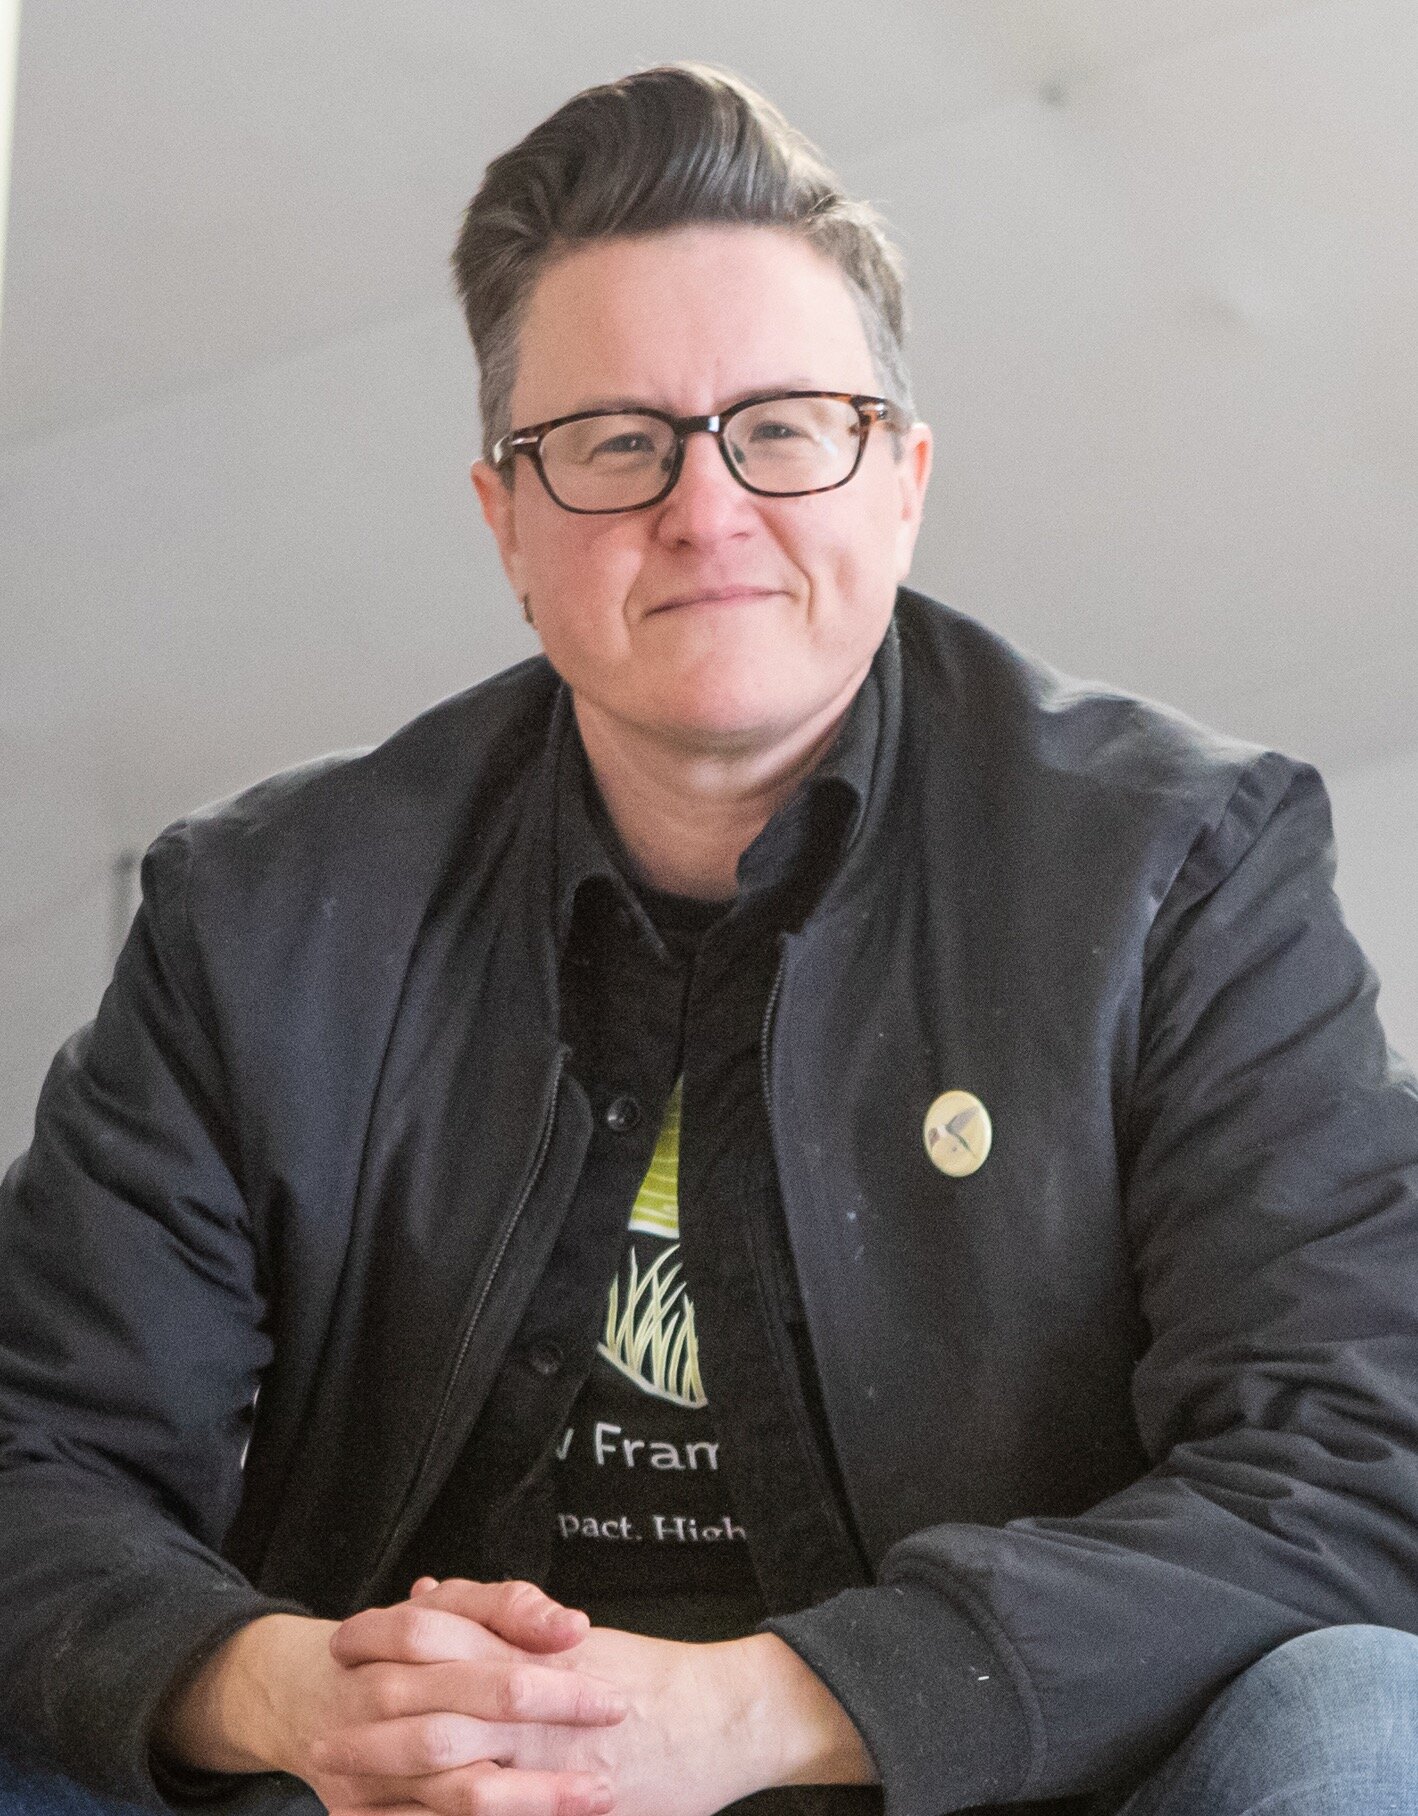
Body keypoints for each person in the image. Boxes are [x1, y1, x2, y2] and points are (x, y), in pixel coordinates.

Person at [3, 61, 1418, 1816]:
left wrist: (766, 1707)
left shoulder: (1184, 870)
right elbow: (34, 1455)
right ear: (505, 523)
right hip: (407, 1790)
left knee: (1361, 1719)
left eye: (781, 426)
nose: (704, 507)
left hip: (994, 1779)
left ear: (898, 478)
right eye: (612, 444)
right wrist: (272, 1686)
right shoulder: (265, 915)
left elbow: (1354, 1467)